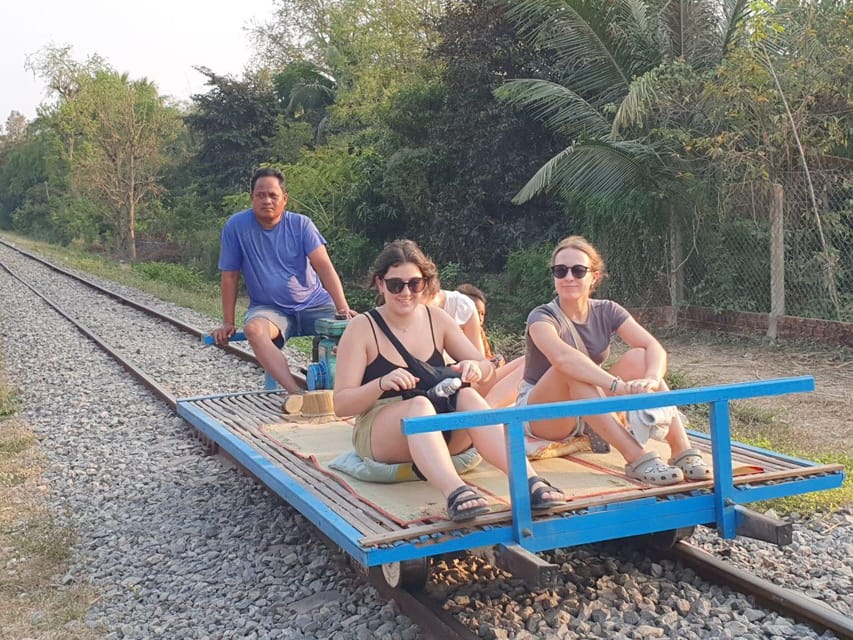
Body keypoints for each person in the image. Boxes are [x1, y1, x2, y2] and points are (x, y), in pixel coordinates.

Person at [333, 240, 566, 521]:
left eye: (414, 284)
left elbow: (485, 365)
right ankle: (455, 490)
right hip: (385, 429)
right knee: (418, 405)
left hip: (441, 424)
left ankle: (528, 480)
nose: (405, 292)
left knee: (467, 396)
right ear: (381, 284)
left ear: (425, 284)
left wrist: (476, 369)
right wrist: (381, 383)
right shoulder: (362, 328)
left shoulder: (437, 319)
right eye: (396, 285)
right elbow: (342, 405)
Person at [520, 235, 712, 486]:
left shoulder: (607, 309)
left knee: (640, 357)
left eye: (578, 271)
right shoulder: (542, 316)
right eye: (560, 270)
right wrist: (617, 386)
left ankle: (681, 449)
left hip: (591, 399)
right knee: (567, 371)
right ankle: (636, 458)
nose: (569, 277)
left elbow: (653, 346)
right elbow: (563, 359)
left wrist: (651, 379)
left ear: (594, 277)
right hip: (546, 413)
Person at [212, 167, 356, 393]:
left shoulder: (301, 225)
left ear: (284, 199)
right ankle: (296, 393)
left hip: (314, 304)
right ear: (252, 198)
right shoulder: (236, 227)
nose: (266, 200)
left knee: (358, 329)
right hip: (270, 310)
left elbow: (324, 267)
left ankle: (349, 392)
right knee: (254, 330)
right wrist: (228, 322)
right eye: (260, 195)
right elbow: (230, 276)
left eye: (273, 195)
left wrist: (342, 308)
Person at [456, 284, 525, 409]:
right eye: (476, 313)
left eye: (482, 314)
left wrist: (495, 362)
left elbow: (484, 361)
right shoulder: (452, 332)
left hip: (482, 379)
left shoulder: (479, 333)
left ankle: (489, 410)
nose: (479, 319)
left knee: (530, 360)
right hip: (465, 386)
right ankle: (486, 413)